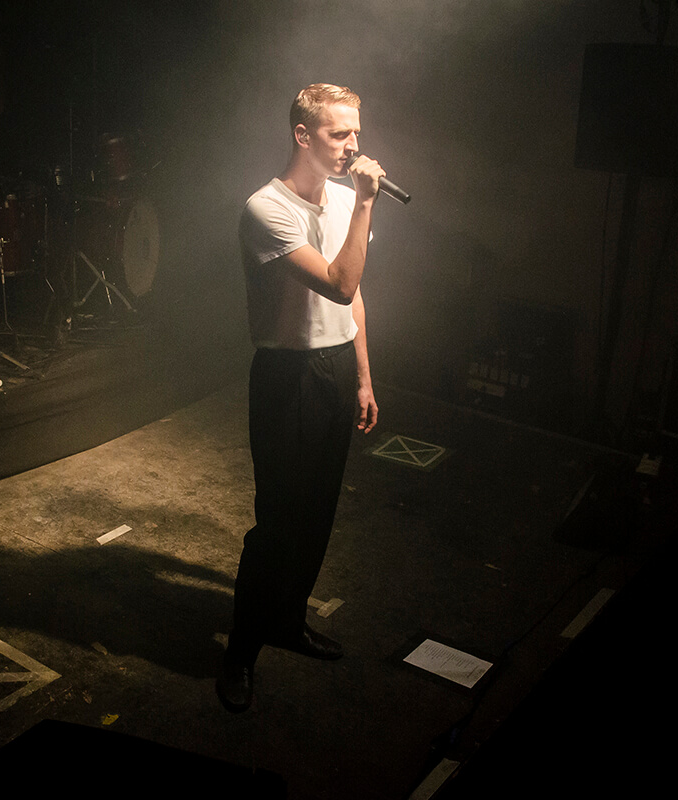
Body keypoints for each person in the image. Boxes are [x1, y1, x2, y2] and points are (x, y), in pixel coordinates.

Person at [217, 83, 385, 712]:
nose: (353, 146)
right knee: (278, 523)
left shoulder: (343, 199)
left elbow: (355, 298)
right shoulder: (266, 209)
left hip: (336, 367)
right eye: (340, 134)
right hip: (286, 375)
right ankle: (239, 653)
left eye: (356, 133)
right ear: (302, 135)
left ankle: (286, 621)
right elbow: (339, 283)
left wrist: (363, 377)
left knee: (317, 514)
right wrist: (364, 205)